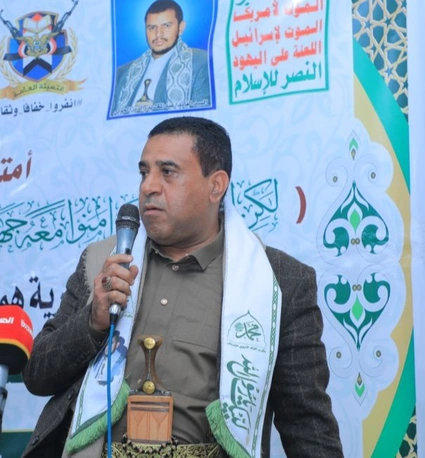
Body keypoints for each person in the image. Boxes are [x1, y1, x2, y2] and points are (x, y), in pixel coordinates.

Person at [22, 117, 342, 457]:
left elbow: (306, 424)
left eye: (168, 172)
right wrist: (93, 322)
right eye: (144, 172)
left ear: (216, 186)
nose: (148, 187)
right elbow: (37, 374)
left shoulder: (278, 282)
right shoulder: (104, 262)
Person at [109, 0, 212, 117]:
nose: (158, 34)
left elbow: (202, 117)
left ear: (181, 27)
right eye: (152, 27)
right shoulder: (122, 74)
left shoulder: (201, 61)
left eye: (166, 26)